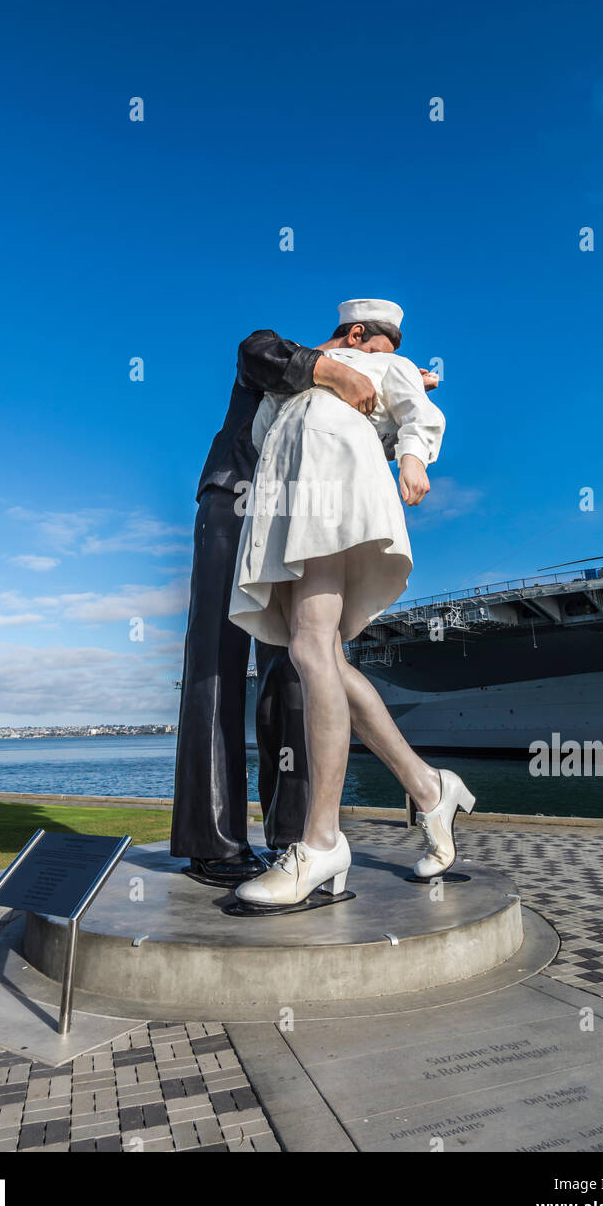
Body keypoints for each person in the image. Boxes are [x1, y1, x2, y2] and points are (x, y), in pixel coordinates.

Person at [228, 298, 476, 908]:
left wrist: (412, 456)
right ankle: (428, 787)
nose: (389, 364)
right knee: (326, 661)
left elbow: (417, 413)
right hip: (286, 502)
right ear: (358, 334)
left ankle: (321, 841)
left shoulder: (383, 367)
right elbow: (265, 434)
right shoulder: (313, 374)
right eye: (383, 350)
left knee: (312, 650)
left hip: (329, 493)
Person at [170, 326, 381, 885]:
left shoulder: (342, 398)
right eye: (374, 357)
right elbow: (252, 349)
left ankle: (297, 837)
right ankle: (211, 840)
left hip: (291, 515)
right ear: (355, 335)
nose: (368, 374)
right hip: (234, 500)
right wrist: (337, 370)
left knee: (295, 669)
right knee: (215, 662)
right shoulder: (286, 356)